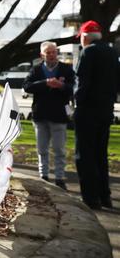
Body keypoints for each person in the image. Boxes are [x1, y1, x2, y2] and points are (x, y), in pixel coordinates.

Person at [74, 20, 118, 210]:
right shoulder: (112, 52)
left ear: (85, 36)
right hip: (105, 110)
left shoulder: (88, 52)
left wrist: (76, 102)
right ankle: (104, 195)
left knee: (84, 155)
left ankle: (91, 198)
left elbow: (82, 83)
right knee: (100, 154)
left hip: (87, 111)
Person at [22, 41, 75, 190]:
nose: (52, 55)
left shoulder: (66, 69)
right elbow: (27, 86)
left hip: (59, 115)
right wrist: (45, 83)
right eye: (48, 53)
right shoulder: (36, 70)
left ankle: (59, 177)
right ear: (42, 55)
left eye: (54, 52)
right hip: (41, 115)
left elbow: (74, 87)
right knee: (42, 149)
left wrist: (61, 86)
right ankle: (43, 176)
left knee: (59, 150)